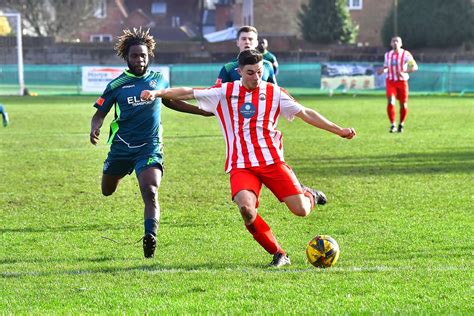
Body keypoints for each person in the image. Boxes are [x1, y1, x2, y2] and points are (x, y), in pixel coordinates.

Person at [140, 49, 356, 267]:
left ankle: (309, 194)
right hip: (241, 165)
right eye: (250, 72)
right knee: (246, 208)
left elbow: (306, 112)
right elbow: (189, 92)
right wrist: (157, 93)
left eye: (259, 72)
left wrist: (338, 130)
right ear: (240, 71)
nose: (256, 77)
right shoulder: (225, 92)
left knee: (300, 210)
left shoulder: (274, 92)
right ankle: (279, 253)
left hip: (272, 162)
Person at [89, 27, 211, 259]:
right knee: (107, 191)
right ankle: (119, 170)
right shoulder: (117, 85)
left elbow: (171, 101)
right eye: (135, 55)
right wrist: (95, 126)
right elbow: (100, 112)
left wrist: (200, 111)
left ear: (149, 56)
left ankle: (150, 237)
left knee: (150, 191)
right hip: (122, 147)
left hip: (150, 145)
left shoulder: (158, 80)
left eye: (143, 55)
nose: (140, 59)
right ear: (127, 57)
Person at [378, 36, 418, 133]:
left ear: (401, 44)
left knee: (403, 105)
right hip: (390, 81)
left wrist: (406, 71)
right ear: (391, 44)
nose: (395, 43)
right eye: (393, 41)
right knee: (391, 101)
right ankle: (393, 125)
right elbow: (386, 67)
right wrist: (382, 70)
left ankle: (401, 124)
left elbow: (414, 67)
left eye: (397, 41)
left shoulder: (406, 54)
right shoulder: (387, 55)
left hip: (402, 82)